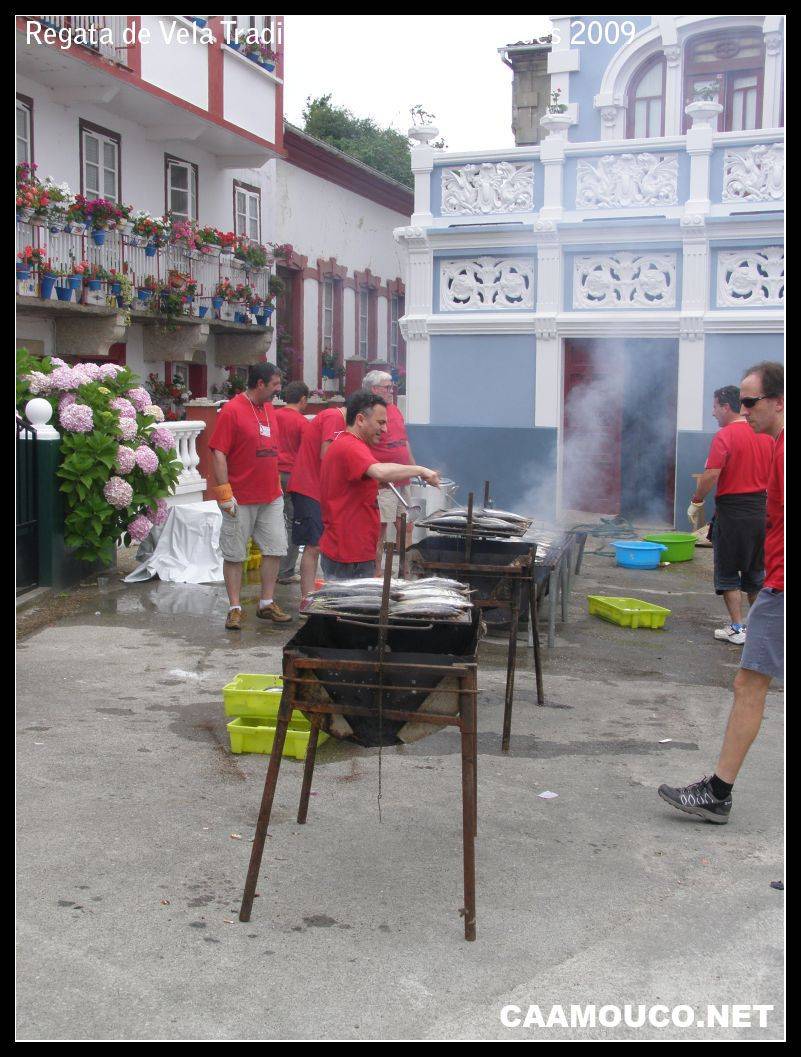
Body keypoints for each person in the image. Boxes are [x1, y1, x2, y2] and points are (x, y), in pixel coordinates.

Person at [659, 362, 783, 824]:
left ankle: (717, 792)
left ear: (777, 401)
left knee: (749, 684)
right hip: (772, 568)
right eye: (741, 402)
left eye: (750, 402)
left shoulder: (768, 445)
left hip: (780, 582)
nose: (742, 411)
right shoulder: (773, 444)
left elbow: (711, 476)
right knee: (749, 682)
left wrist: (697, 504)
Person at [317, 389, 440, 582]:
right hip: (348, 553)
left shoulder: (348, 443)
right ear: (360, 419)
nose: (384, 430)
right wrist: (420, 470)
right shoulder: (351, 446)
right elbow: (380, 471)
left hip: (349, 548)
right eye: (380, 423)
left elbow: (368, 479)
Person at [208, 361, 292, 630]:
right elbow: (218, 451)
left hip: (270, 496)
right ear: (260, 384)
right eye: (275, 385)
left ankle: (266, 603)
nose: (278, 390)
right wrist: (224, 493)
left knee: (276, 548)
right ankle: (234, 608)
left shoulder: (268, 409)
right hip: (239, 497)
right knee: (234, 554)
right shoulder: (232, 410)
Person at [688, 385, 774, 644]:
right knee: (755, 573)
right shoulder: (766, 435)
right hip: (762, 510)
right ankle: (757, 629)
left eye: (714, 407)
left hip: (733, 512)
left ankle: (737, 628)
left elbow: (712, 474)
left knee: (728, 571)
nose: (713, 413)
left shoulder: (725, 436)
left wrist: (697, 500)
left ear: (726, 407)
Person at [286, 402, 347, 603]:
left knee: (321, 543)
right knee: (314, 545)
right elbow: (327, 454)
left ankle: (313, 595)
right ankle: (308, 599)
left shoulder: (339, 421)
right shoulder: (333, 416)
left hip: (319, 489)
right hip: (308, 487)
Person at [361, 368, 418, 576]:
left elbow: (404, 442)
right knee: (380, 529)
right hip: (384, 482)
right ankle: (376, 574)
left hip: (402, 479)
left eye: (392, 386)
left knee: (407, 526)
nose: (392, 390)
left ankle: (405, 572)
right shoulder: (366, 412)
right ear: (375, 389)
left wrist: (414, 469)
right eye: (387, 387)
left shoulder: (394, 409)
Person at [274, 381, 310, 585]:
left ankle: (270, 566)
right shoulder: (302, 422)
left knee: (271, 521)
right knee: (292, 523)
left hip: (272, 473)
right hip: (292, 475)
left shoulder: (274, 416)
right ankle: (286, 571)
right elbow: (307, 452)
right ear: (303, 399)